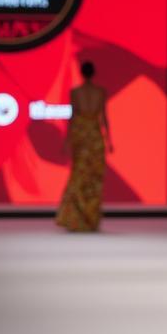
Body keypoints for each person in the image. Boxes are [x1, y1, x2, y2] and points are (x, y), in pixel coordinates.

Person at [55, 59, 112, 232]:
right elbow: (104, 118)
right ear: (93, 73)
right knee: (93, 178)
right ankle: (89, 219)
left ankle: (78, 219)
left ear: (81, 73)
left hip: (81, 135)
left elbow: (72, 118)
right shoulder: (100, 92)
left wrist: (67, 140)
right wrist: (109, 140)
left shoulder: (75, 92)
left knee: (79, 176)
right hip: (94, 137)